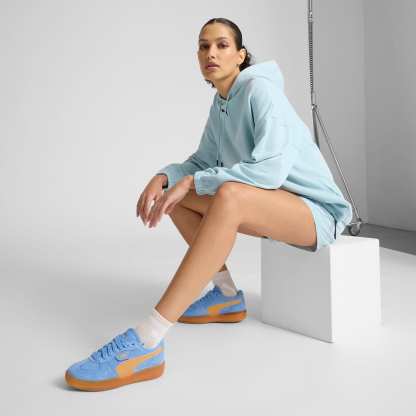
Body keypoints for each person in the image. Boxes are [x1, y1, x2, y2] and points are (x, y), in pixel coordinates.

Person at [65, 17, 353, 391]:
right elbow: (202, 162)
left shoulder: (261, 92)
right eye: (203, 46)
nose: (211, 53)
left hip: (315, 213)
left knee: (227, 194)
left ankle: (148, 340)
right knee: (179, 195)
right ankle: (227, 296)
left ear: (241, 55)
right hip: (275, 206)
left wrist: (195, 181)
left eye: (221, 45)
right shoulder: (222, 102)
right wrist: (165, 177)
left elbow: (268, 170)